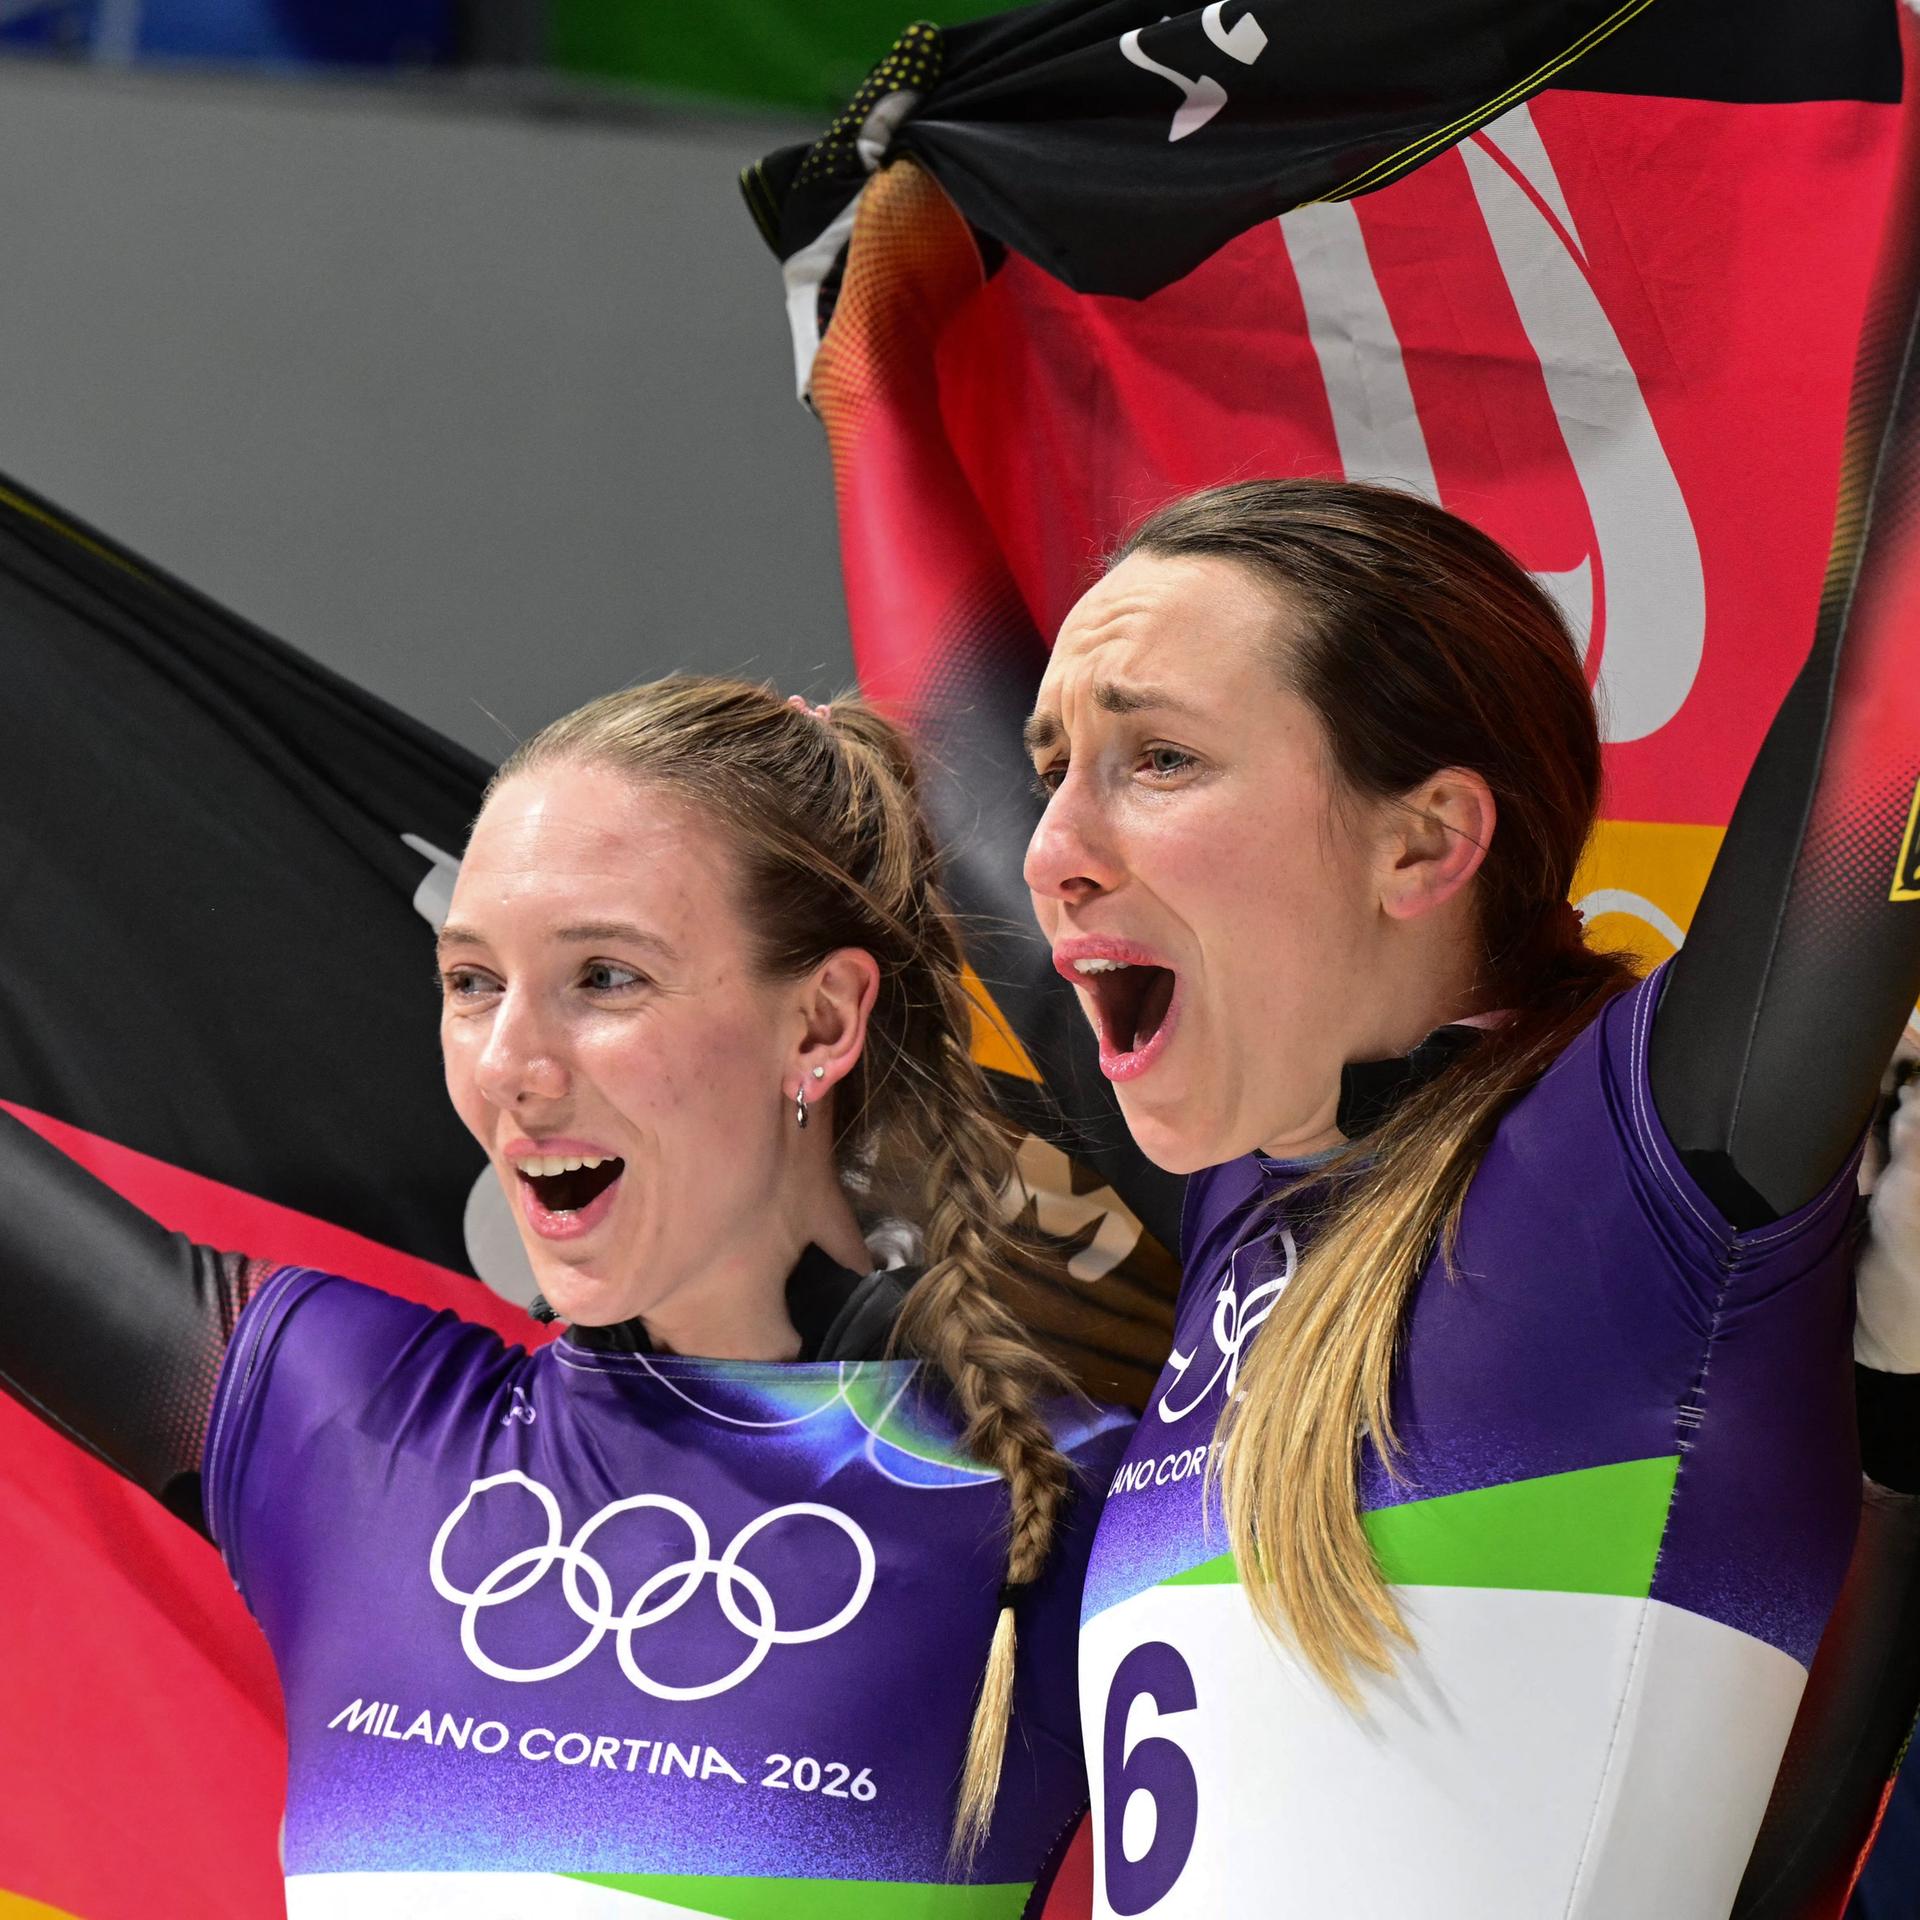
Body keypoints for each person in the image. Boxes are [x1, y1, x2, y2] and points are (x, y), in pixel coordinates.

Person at [0, 675, 1129, 1918]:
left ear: (819, 1019)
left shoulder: (1065, 1505)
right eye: (472, 979)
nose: (510, 1069)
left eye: (604, 978)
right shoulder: (341, 1425)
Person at [1018, 466, 1919, 1915]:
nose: (1049, 848)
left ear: (1426, 841)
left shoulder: (1632, 1179)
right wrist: (875, 342)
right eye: (1052, 762)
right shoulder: (1249, 1185)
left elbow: (1898, 641)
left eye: (1158, 759)